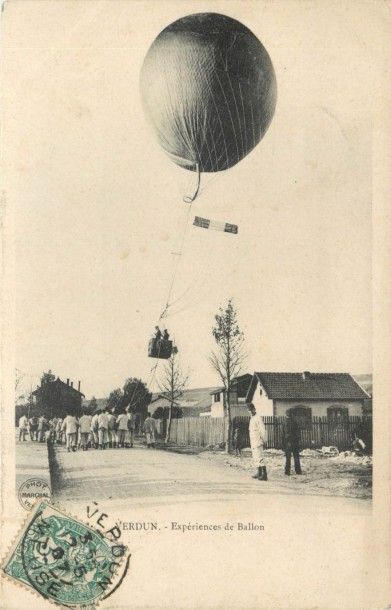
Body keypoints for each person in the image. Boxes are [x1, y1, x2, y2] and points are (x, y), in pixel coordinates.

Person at [247, 403, 268, 480]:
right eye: (249, 410)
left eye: (251, 410)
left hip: (258, 441)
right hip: (253, 441)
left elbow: (262, 430)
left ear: (254, 409)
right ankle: (258, 472)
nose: (250, 412)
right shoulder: (252, 418)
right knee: (255, 457)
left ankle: (264, 474)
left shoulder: (258, 418)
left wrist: (264, 440)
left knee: (260, 457)